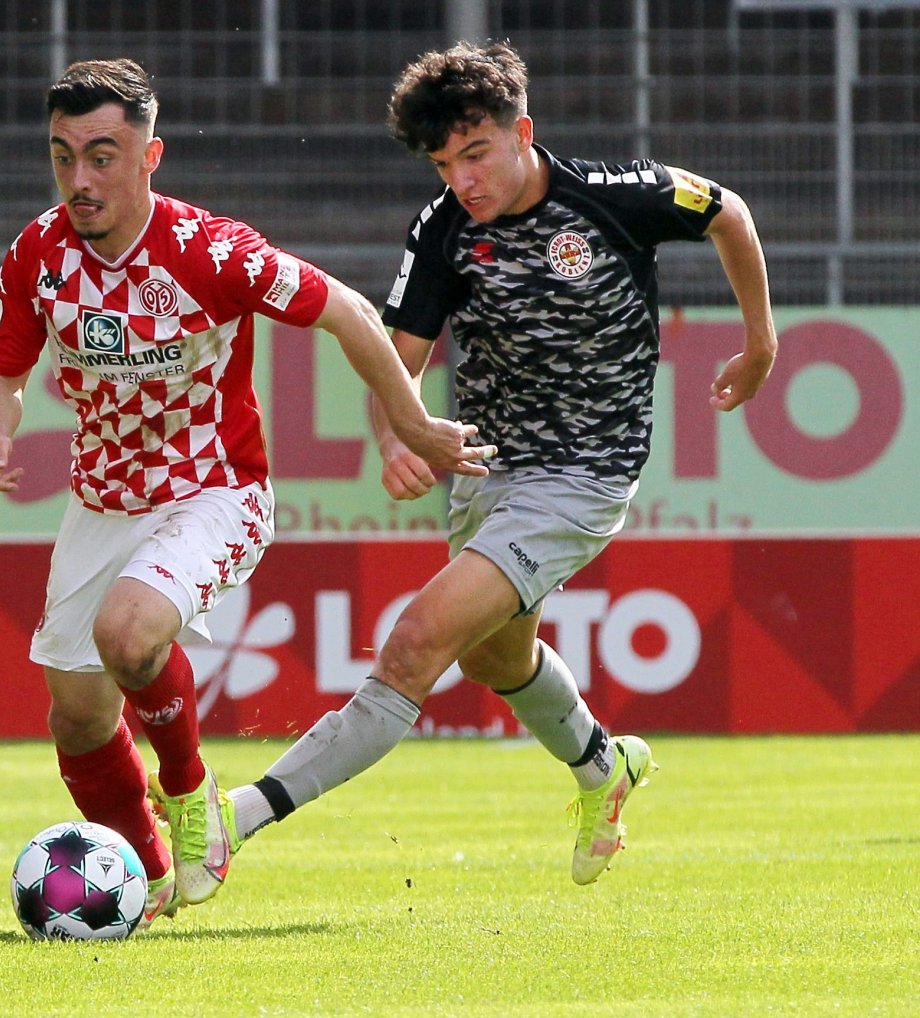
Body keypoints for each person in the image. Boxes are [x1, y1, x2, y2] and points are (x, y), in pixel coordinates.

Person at [215, 41, 777, 887]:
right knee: (495, 660)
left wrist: (761, 341)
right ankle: (603, 767)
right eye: (446, 163)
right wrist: (395, 434)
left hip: (584, 475)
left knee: (414, 645)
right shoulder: (441, 232)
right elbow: (392, 358)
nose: (463, 180)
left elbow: (728, 210)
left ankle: (232, 822)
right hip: (487, 473)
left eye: (476, 154)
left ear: (524, 132)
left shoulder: (617, 195)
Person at [0, 58, 493, 920]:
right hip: (100, 503)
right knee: (80, 720)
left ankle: (190, 787)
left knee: (129, 634)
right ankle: (148, 878)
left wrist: (413, 422)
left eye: (102, 155)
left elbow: (351, 313)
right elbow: (2, 372)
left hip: (215, 491)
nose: (80, 179)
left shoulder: (209, 251)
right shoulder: (39, 253)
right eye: (63, 156)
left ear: (149, 155)